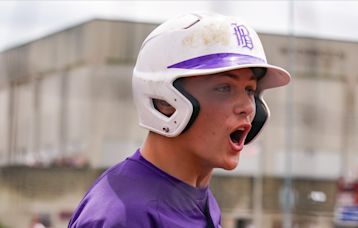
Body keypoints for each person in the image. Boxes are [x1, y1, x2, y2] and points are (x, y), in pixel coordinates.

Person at [68, 11, 290, 228]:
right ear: (165, 101)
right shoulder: (124, 214)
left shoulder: (200, 199)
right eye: (224, 88)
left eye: (250, 90)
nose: (246, 108)